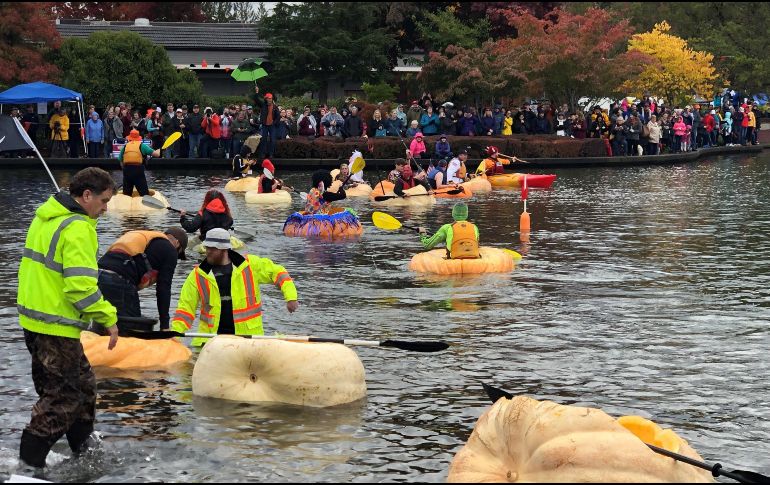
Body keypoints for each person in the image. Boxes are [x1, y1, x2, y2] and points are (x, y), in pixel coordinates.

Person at [17, 167, 119, 467]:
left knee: (84, 387)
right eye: (103, 200)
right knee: (62, 399)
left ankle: (83, 449)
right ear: (86, 195)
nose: (104, 208)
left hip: (35, 322)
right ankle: (29, 466)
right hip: (55, 326)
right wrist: (108, 317)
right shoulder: (78, 227)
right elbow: (80, 287)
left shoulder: (45, 217)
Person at [172, 228, 298, 347]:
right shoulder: (197, 275)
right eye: (207, 247)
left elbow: (279, 273)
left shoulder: (250, 266)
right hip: (210, 341)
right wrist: (174, 336)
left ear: (224, 249)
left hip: (248, 340)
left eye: (212, 248)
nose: (207, 251)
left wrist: (291, 298)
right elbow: (185, 310)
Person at [97, 227, 188, 331]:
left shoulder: (147, 239)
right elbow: (163, 289)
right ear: (177, 243)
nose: (176, 257)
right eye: (179, 254)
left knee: (104, 322)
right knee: (134, 329)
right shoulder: (170, 250)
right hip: (118, 280)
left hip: (96, 275)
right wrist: (164, 326)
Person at [118, 129, 160, 197]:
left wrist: (125, 170)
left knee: (126, 194)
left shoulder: (125, 146)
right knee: (144, 193)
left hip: (127, 171)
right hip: (138, 171)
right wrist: (159, 150)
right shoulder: (142, 146)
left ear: (129, 138)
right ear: (138, 138)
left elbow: (120, 160)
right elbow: (157, 154)